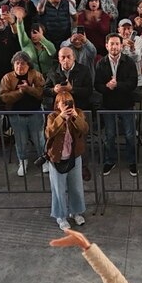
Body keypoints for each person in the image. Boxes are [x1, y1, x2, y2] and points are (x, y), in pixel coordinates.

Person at [43, 89, 89, 230]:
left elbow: (85, 129)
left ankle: (76, 212)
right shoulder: (52, 116)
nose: (68, 106)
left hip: (74, 156)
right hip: (57, 158)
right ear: (57, 105)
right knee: (59, 188)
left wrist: (75, 117)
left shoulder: (79, 113)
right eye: (64, 103)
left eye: (70, 102)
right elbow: (49, 133)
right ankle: (60, 216)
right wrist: (61, 118)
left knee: (76, 187)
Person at [95, 33, 140, 177]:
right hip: (108, 105)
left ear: (121, 46)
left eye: (117, 44)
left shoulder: (129, 62)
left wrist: (117, 85)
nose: (114, 46)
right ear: (106, 45)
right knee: (109, 135)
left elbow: (133, 83)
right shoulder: (101, 63)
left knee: (130, 135)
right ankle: (110, 160)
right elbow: (97, 85)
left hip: (126, 103)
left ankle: (132, 161)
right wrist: (107, 86)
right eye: (111, 44)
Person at [0, 52, 46, 178]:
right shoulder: (7, 78)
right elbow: (4, 97)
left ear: (28, 65)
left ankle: (44, 159)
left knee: (39, 139)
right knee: (21, 140)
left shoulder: (36, 74)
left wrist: (29, 89)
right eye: (17, 63)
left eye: (23, 63)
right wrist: (20, 92)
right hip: (17, 114)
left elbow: (41, 92)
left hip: (35, 112)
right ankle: (23, 161)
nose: (20, 66)